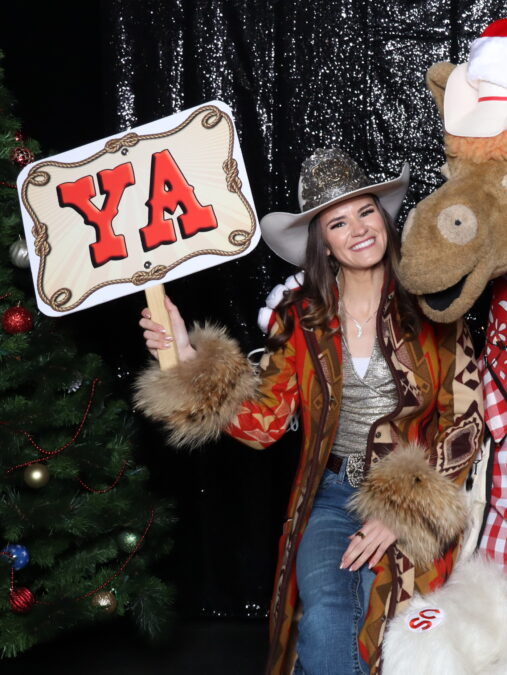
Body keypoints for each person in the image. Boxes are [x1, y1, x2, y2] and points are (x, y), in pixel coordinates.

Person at [134, 148, 484, 675]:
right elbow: (264, 423)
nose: (358, 229)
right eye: (338, 223)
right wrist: (187, 355)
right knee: (322, 619)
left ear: (384, 218)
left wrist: (403, 511)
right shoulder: (302, 319)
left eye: (366, 211)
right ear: (323, 242)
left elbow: (468, 419)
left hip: (416, 495)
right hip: (330, 497)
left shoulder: (434, 306)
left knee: (393, 620)